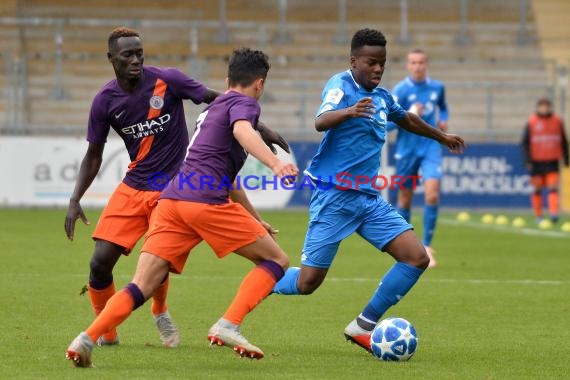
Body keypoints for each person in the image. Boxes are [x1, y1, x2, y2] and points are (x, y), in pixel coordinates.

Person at [66, 47, 299, 367]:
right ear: (259, 84)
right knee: (277, 260)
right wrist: (275, 164)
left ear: (228, 78)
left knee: (142, 285)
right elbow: (243, 131)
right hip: (204, 203)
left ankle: (86, 339)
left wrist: (256, 220)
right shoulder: (243, 105)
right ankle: (229, 324)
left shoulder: (211, 112)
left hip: (172, 201)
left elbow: (229, 180)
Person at [272, 28, 465, 353]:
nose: (377, 69)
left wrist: (441, 137)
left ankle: (363, 325)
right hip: (334, 197)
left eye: (382, 64)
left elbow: (407, 119)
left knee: (415, 258)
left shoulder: (383, 97)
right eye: (371, 62)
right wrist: (348, 111)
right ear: (354, 61)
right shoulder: (340, 85)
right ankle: (265, 279)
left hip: (367, 200)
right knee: (307, 284)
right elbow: (320, 121)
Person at [389, 48, 449, 268]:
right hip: (406, 150)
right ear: (408, 65)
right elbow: (385, 125)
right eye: (413, 62)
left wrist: (443, 120)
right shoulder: (400, 90)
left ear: (427, 64)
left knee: (432, 195)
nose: (417, 66)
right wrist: (408, 114)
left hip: (430, 147)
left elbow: (443, 107)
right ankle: (406, 249)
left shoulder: (437, 87)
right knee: (404, 199)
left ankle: (427, 246)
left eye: (421, 62)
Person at [522, 97, 569, 223]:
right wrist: (527, 160)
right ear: (538, 108)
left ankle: (553, 213)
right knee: (537, 188)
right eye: (542, 106)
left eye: (546, 106)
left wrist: (566, 157)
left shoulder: (557, 121)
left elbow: (563, 140)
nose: (544, 109)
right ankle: (538, 215)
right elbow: (525, 143)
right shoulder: (532, 122)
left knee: (553, 187)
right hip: (536, 161)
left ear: (550, 108)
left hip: (552, 159)